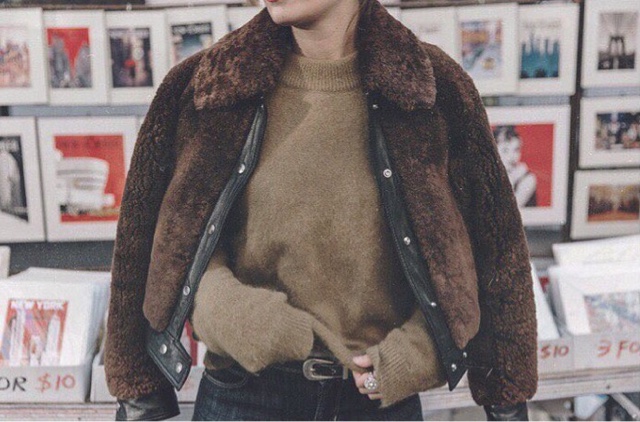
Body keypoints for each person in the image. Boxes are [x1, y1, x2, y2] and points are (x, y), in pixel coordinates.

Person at [104, 0, 538, 421]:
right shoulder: (212, 83)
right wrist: (234, 316)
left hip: (378, 404)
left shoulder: (431, 87)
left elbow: (493, 246)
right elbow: (160, 237)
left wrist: (421, 351)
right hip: (244, 396)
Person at [494, 126, 538, 208]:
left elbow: (508, 211)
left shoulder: (528, 178)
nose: (512, 157)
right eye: (505, 150)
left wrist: (512, 180)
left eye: (516, 150)